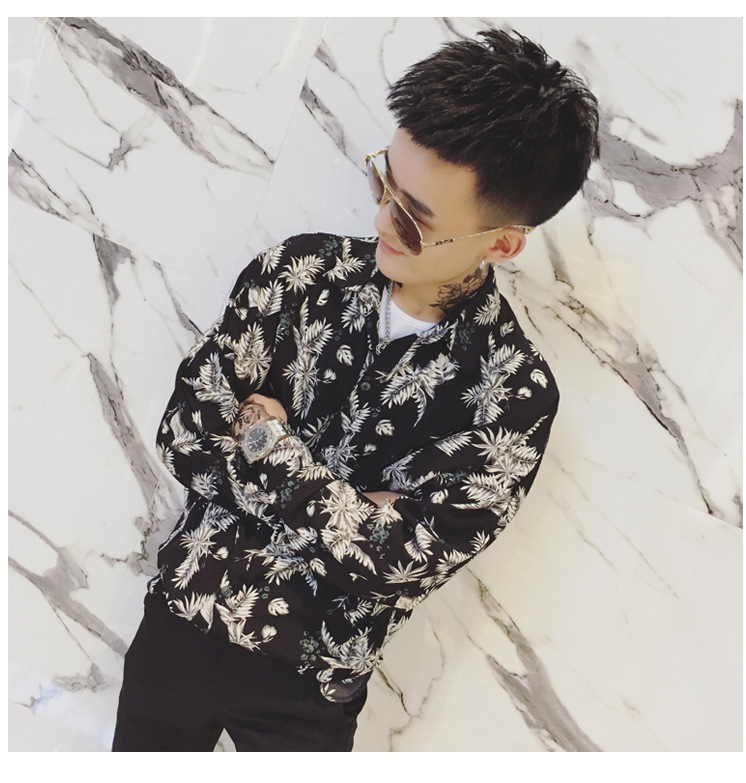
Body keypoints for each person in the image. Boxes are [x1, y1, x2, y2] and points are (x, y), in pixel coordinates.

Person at [112, 27, 599, 752]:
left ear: (501, 242)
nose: (380, 220)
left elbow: (395, 562)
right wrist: (354, 511)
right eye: (384, 183)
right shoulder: (295, 276)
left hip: (310, 687)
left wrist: (266, 443)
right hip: (180, 624)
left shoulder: (513, 397)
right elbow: (184, 435)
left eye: (414, 219)